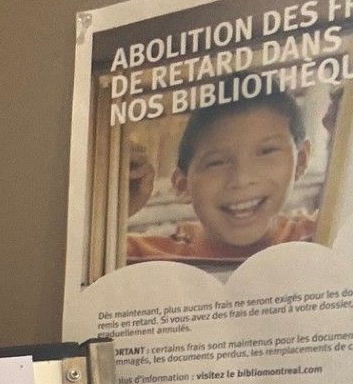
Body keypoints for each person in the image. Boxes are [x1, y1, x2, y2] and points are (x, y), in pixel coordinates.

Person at [126, 91, 316, 265]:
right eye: (216, 163)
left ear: (300, 160)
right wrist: (122, 207)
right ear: (183, 185)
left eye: (267, 151)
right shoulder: (142, 257)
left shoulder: (320, 234)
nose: (241, 179)